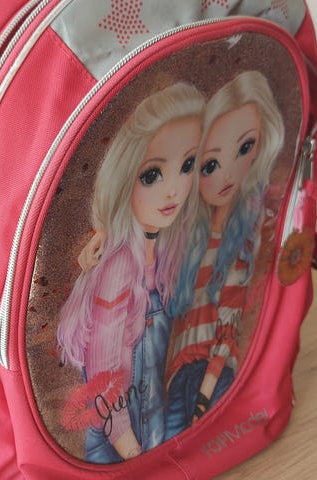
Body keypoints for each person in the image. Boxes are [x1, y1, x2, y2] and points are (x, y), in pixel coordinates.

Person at [57, 82, 205, 463]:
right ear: (125, 176)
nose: (173, 190)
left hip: (151, 428)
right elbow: (103, 373)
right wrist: (131, 450)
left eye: (187, 166)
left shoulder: (166, 249)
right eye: (152, 175)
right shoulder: (119, 266)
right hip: (119, 445)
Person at [164, 71, 285, 439]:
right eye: (210, 165)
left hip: (211, 378)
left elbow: (228, 331)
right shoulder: (188, 238)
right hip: (178, 379)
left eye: (245, 148)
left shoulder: (242, 243)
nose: (228, 174)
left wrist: (204, 398)